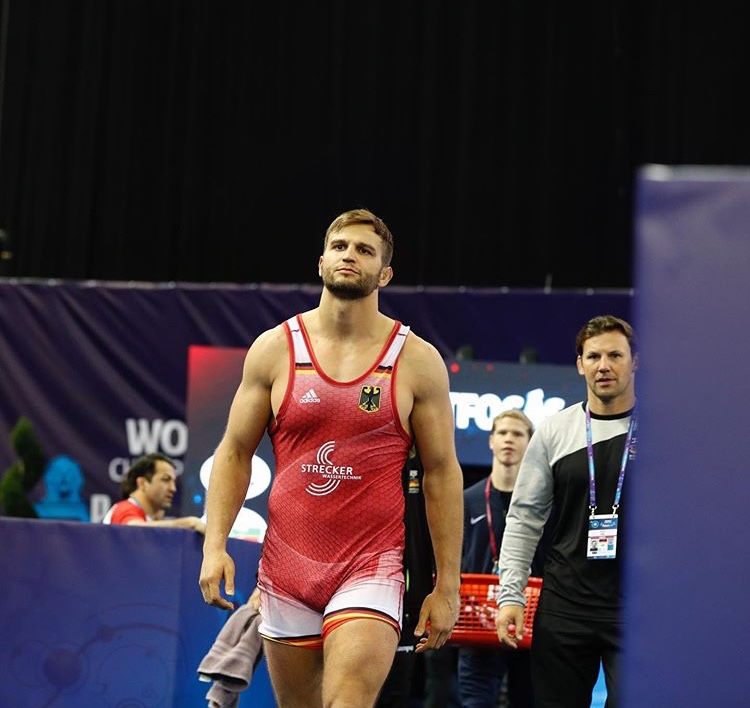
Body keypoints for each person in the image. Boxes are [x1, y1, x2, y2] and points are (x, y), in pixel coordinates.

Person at [199, 208, 464, 708]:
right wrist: (215, 546)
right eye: (340, 246)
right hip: (286, 569)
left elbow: (442, 473)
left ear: (384, 274)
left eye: (365, 250)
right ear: (321, 261)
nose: (350, 256)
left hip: (371, 566)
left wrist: (446, 585)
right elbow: (234, 452)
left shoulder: (416, 360)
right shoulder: (274, 349)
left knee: (348, 701)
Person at [496, 315, 638, 708]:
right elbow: (524, 518)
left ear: (635, 362)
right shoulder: (554, 431)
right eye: (593, 356)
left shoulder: (665, 431)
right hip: (565, 606)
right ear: (579, 364)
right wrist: (511, 596)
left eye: (615, 355)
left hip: (640, 609)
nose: (604, 365)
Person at [460, 410, 541, 708]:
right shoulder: (467, 499)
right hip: (477, 622)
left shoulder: (543, 501)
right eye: (503, 433)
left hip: (529, 622)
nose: (509, 439)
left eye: (518, 434)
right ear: (491, 441)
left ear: (530, 444)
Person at [102, 453, 206, 532]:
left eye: (174, 482)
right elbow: (133, 529)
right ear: (142, 483)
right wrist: (190, 523)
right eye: (165, 479)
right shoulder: (124, 509)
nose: (173, 488)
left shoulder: (148, 517)